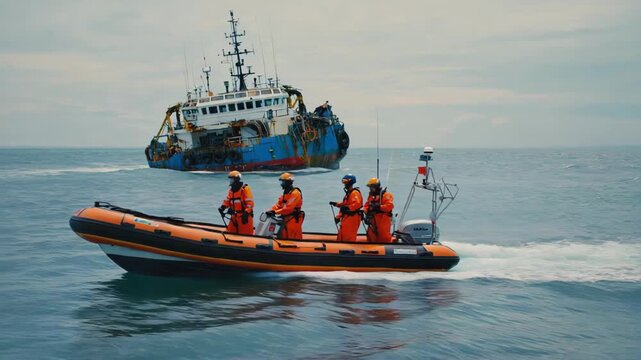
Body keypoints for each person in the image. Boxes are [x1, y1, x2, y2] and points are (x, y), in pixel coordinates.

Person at [266, 173, 304, 239]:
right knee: (283, 234)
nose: (282, 184)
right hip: (286, 218)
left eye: (283, 182)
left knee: (291, 235)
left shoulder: (295, 193)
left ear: (289, 182)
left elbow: (288, 208)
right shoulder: (285, 194)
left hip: (293, 219)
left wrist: (275, 212)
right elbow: (278, 205)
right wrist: (270, 210)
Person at [218, 170, 254, 235]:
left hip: (244, 216)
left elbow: (250, 203)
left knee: (245, 235)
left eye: (232, 179)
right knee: (230, 232)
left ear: (236, 179)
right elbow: (227, 200)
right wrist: (222, 207)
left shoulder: (245, 189)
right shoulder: (231, 191)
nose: (230, 181)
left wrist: (246, 213)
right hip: (234, 216)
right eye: (230, 179)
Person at [330, 174, 363, 242]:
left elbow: (357, 204)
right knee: (342, 235)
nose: (345, 184)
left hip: (352, 218)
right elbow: (345, 204)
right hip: (347, 218)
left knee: (348, 237)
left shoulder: (354, 193)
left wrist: (347, 208)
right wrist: (336, 204)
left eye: (345, 182)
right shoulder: (349, 193)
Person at [363, 178, 394, 243]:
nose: (370, 189)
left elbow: (389, 206)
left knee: (384, 237)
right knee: (370, 236)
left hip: (383, 219)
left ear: (376, 187)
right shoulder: (371, 197)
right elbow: (366, 206)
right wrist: (366, 213)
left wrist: (379, 207)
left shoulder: (386, 195)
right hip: (373, 220)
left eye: (371, 187)